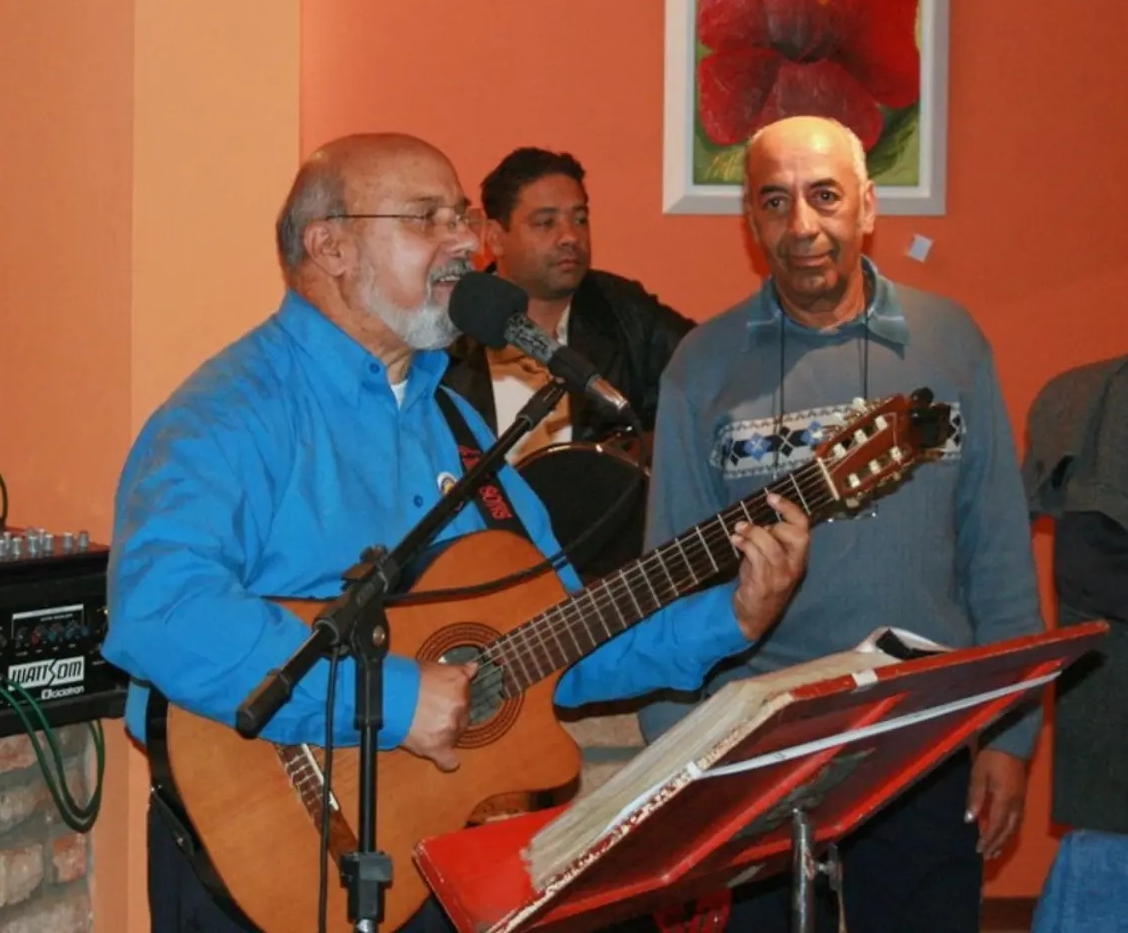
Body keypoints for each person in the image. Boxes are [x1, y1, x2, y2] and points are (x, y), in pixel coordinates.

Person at [100, 132, 813, 933]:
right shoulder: (228, 415)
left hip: (432, 867)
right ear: (330, 247)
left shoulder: (459, 425)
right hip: (263, 869)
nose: (464, 243)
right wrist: (394, 700)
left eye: (462, 217)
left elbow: (560, 640)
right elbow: (160, 614)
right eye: (425, 218)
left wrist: (732, 616)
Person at [636, 116, 1046, 933]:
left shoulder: (952, 343)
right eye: (775, 201)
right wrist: (681, 777)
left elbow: (998, 553)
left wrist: (1011, 736)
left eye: (824, 196)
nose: (802, 225)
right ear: (750, 222)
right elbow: (667, 589)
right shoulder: (700, 369)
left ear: (868, 206)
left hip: (927, 746)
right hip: (759, 762)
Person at [445, 147, 695, 578]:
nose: (570, 237)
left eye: (580, 219)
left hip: (602, 566)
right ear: (494, 236)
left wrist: (640, 452)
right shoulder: (450, 327)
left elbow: (711, 378)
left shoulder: (622, 312)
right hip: (479, 564)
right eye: (546, 223)